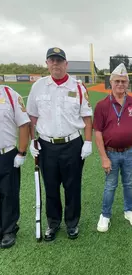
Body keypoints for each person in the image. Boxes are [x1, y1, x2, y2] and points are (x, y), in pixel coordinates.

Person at [26, 47, 93, 241]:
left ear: (66, 64)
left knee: (73, 187)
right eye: (51, 60)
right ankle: (53, 223)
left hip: (72, 145)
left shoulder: (78, 87)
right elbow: (32, 117)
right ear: (47, 63)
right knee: (51, 187)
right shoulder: (38, 87)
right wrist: (33, 141)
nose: (55, 63)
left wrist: (87, 142)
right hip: (47, 146)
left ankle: (72, 223)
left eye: (59, 60)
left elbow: (87, 118)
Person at [93, 63, 132, 232]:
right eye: (117, 81)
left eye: (123, 81)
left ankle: (129, 210)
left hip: (130, 152)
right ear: (111, 82)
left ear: (127, 83)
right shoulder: (102, 105)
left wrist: (125, 136)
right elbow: (98, 132)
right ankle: (105, 215)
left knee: (129, 183)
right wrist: (104, 157)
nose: (120, 84)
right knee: (110, 185)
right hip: (111, 153)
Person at [0, 85, 30, 248]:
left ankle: (9, 230)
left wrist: (22, 151)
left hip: (6, 154)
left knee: (8, 193)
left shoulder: (10, 95)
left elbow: (24, 124)